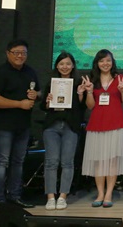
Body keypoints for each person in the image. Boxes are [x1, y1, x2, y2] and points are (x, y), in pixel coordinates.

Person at [0, 39, 39, 208]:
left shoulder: (30, 72)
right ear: (8, 53)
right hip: (3, 125)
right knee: (1, 162)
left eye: (23, 53)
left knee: (18, 162)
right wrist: (19, 104)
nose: (20, 56)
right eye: (16, 52)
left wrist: (36, 95)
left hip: (23, 125)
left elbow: (38, 92)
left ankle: (14, 196)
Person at [81, 49, 123, 208]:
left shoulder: (120, 79)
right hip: (97, 124)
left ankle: (109, 193)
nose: (105, 63)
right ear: (97, 63)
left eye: (108, 60)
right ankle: (100, 193)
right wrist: (89, 92)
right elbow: (90, 106)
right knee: (98, 160)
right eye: (101, 61)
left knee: (112, 160)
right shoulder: (92, 80)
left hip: (115, 124)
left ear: (112, 62)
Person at [41, 51, 86, 210]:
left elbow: (83, 107)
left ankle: (62, 196)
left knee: (67, 162)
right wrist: (48, 102)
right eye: (61, 64)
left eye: (68, 63)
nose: (65, 67)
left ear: (73, 65)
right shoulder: (51, 83)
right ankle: (50, 197)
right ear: (57, 66)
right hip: (52, 127)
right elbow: (43, 107)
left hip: (70, 126)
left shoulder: (79, 83)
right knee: (51, 162)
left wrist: (80, 94)